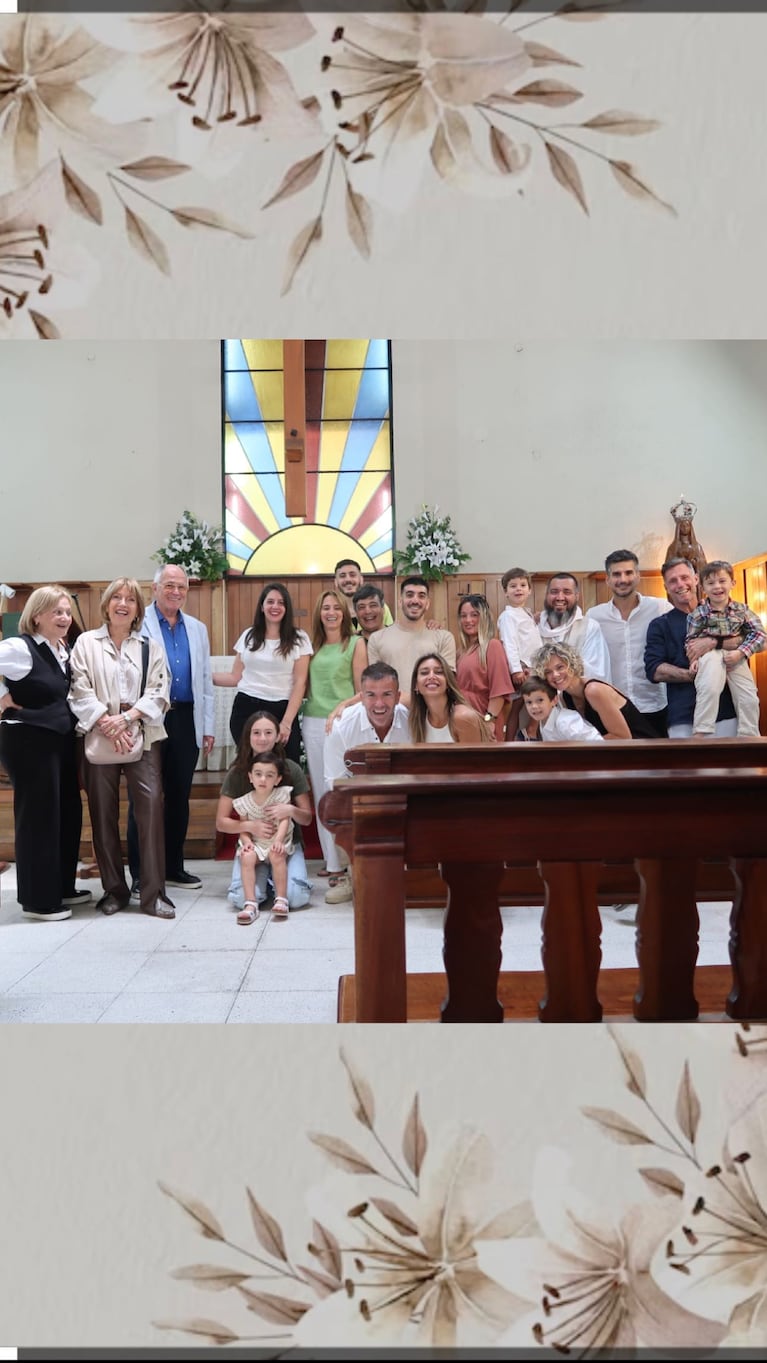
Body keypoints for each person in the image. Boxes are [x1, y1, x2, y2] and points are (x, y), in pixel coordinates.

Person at [68, 578, 174, 918]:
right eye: (117, 597)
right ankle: (114, 890)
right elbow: (78, 689)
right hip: (100, 736)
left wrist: (126, 719)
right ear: (107, 604)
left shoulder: (149, 647)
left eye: (131, 599)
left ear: (138, 610)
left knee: (152, 811)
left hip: (141, 735)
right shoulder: (85, 643)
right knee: (103, 814)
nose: (123, 603)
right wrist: (107, 722)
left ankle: (154, 894)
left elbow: (160, 690)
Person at [0, 585, 88, 921]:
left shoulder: (60, 649)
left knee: (66, 813)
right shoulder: (19, 649)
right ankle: (39, 900)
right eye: (57, 612)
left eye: (67, 611)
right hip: (29, 742)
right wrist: (1, 698)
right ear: (36, 616)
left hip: (59, 741)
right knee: (39, 819)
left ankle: (62, 886)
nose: (65, 617)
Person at [127, 564, 214, 900]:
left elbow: (204, 679)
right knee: (144, 798)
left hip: (186, 718)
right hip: (150, 717)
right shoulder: (139, 623)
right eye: (170, 586)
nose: (176, 592)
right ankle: (140, 874)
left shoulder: (197, 628)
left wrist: (207, 727)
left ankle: (173, 866)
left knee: (178, 797)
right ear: (155, 588)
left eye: (182, 587)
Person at [322, 662, 411, 906]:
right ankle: (351, 875)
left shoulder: (412, 722)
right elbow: (335, 785)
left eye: (387, 695)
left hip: (401, 796)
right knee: (335, 809)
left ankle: (406, 874)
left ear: (398, 696)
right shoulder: (340, 727)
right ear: (361, 697)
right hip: (358, 799)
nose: (379, 704)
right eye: (371, 695)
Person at [216, 710, 313, 914]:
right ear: (248, 736)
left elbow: (307, 818)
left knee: (296, 898)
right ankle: (267, 885)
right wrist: (250, 827)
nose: (262, 738)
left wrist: (290, 810)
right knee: (240, 898)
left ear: (278, 736)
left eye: (268, 732)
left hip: (284, 845)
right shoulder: (237, 773)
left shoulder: (291, 769)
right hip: (254, 845)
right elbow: (221, 822)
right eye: (256, 733)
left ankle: (281, 883)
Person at [300, 590, 366, 885]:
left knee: (341, 788)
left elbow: (362, 690)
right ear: (319, 612)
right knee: (322, 790)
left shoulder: (355, 643)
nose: (331, 612)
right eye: (326, 607)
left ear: (345, 612)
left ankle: (350, 858)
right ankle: (332, 861)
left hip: (344, 721)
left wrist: (340, 708)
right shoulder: (310, 644)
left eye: (336, 607)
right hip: (313, 721)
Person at [213, 582, 312, 764]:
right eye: (270, 602)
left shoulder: (300, 639)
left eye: (281, 603)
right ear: (262, 606)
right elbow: (235, 677)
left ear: (287, 608)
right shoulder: (248, 636)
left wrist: (287, 722)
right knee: (251, 768)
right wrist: (203, 677)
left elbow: (300, 683)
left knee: (287, 768)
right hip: (246, 708)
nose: (275, 607)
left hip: (282, 710)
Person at [644, 557, 737, 739]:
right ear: (666, 587)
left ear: (696, 579)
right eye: (673, 581)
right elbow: (653, 670)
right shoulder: (660, 625)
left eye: (684, 577)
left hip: (725, 712)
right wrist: (695, 675)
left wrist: (712, 642)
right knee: (687, 767)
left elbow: (746, 641)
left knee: (731, 766)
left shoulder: (724, 612)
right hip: (683, 717)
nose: (680, 584)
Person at [585, 550, 672, 736]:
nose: (623, 579)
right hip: (614, 707)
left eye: (628, 573)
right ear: (608, 579)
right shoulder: (594, 616)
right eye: (616, 574)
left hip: (654, 704)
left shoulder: (660, 608)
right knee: (619, 764)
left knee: (659, 763)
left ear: (638, 576)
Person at [686, 560, 765, 736]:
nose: (717, 587)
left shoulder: (742, 610)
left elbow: (760, 635)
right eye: (711, 583)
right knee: (710, 686)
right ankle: (702, 730)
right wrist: (694, 660)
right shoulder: (698, 614)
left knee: (749, 696)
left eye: (722, 581)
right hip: (710, 654)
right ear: (703, 587)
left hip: (736, 654)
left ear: (732, 583)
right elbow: (691, 640)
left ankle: (749, 735)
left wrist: (741, 652)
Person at [532, 641, 659, 740]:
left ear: (572, 664)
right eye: (548, 672)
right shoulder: (564, 697)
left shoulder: (593, 690)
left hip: (642, 751)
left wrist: (577, 749)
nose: (555, 675)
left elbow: (623, 737)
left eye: (560, 667)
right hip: (610, 756)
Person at [367, 576, 456, 697]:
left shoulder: (444, 638)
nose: (415, 600)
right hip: (392, 711)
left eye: (421, 596)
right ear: (400, 601)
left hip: (430, 711)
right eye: (409, 595)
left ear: (427, 603)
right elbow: (375, 683)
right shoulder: (377, 639)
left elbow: (447, 683)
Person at [232, 750, 294, 924]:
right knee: (247, 856)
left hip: (277, 840)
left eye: (269, 775)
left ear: (278, 779)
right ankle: (250, 903)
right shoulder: (244, 801)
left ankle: (281, 899)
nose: (263, 779)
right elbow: (243, 827)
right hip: (257, 842)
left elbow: (284, 820)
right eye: (258, 775)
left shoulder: (281, 794)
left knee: (276, 854)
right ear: (250, 777)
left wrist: (279, 840)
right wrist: (247, 843)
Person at [455, 594, 513, 741]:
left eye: (474, 615)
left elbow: (499, 690)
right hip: (463, 719)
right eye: (463, 616)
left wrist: (489, 720)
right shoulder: (461, 651)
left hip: (484, 717)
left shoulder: (492, 646)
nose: (468, 620)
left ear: (484, 617)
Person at [537, 573, 612, 682]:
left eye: (567, 592)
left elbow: (597, 672)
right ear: (546, 595)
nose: (560, 597)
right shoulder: (534, 626)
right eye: (554, 592)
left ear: (577, 596)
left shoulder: (589, 627)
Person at [409, 653, 492, 743]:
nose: (431, 676)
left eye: (439, 672)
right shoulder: (417, 719)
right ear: (416, 685)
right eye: (424, 673)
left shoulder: (463, 717)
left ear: (448, 682)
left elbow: (474, 757)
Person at [518, 675, 604, 742]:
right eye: (529, 702)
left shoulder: (565, 722)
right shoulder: (543, 721)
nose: (534, 706)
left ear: (554, 700)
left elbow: (595, 743)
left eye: (540, 700)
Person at [334, 559, 393, 631]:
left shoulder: (380, 608)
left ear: (361, 579)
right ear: (336, 582)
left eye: (352, 575)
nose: (348, 579)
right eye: (342, 576)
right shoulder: (332, 612)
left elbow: (390, 634)